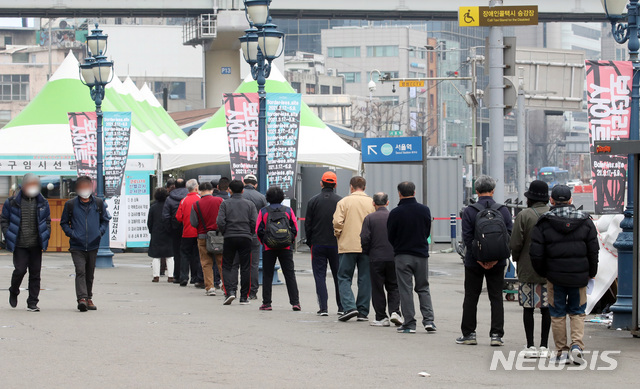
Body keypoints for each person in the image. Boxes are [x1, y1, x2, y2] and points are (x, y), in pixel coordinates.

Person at [530, 185, 599, 365]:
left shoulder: (544, 222)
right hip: (579, 277)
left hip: (554, 277)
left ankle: (562, 351)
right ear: (570, 200)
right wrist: (591, 273)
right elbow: (593, 251)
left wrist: (543, 272)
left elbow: (536, 253)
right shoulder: (586, 221)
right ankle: (577, 346)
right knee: (577, 312)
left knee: (558, 313)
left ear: (551, 200)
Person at [458, 175, 512, 346]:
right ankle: (496, 335)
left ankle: (469, 334)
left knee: (471, 297)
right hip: (498, 261)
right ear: (493, 190)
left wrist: (478, 258)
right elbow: (509, 236)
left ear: (476, 191)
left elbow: (467, 237)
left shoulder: (470, 211)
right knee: (496, 297)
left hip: (474, 261)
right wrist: (496, 259)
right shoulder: (503, 210)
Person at [509, 180, 551, 359]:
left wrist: (517, 258)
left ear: (530, 198)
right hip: (550, 270)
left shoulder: (524, 215)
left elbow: (515, 243)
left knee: (528, 307)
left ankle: (530, 345)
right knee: (546, 308)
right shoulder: (553, 214)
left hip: (528, 267)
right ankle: (544, 345)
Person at [386, 183, 435, 334]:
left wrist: (399, 246)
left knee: (405, 289)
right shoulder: (424, 210)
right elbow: (427, 231)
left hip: (402, 255)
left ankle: (409, 323)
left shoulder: (395, 213)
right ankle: (429, 321)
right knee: (423, 288)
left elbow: (390, 235)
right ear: (414, 192)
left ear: (399, 193)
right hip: (421, 255)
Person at [60, 176, 111, 312]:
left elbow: (105, 220)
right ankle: (81, 299)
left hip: (93, 244)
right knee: (80, 271)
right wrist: (72, 234)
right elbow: (64, 222)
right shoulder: (70, 204)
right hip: (77, 245)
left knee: (90, 273)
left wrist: (99, 232)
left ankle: (89, 297)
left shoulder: (98, 203)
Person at [1, 173, 51, 312]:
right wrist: (8, 233)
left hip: (36, 243)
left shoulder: (43, 202)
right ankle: (14, 290)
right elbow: (4, 220)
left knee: (35, 273)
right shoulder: (12, 202)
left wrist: (46, 234)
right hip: (20, 244)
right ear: (22, 186)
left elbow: (47, 221)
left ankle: (32, 302)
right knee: (20, 270)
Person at [333, 176, 375, 322]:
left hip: (348, 245)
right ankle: (363, 311)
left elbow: (337, 222)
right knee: (365, 278)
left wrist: (339, 234)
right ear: (364, 187)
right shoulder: (372, 202)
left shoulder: (344, 202)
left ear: (351, 187)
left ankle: (350, 307)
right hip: (367, 246)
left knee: (344, 276)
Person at [361, 192, 402, 327]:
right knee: (394, 286)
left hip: (376, 257)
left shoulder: (369, 218)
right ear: (388, 202)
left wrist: (367, 252)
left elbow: (365, 238)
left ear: (373, 203)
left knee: (377, 287)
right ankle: (395, 312)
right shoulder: (393, 216)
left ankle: (381, 317)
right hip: (393, 256)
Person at [305, 171, 343, 316]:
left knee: (319, 275)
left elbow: (308, 224)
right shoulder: (341, 201)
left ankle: (323, 307)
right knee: (338, 276)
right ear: (335, 184)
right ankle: (341, 307)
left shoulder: (313, 201)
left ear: (321, 183)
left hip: (318, 243)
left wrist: (310, 241)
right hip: (336, 243)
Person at [256, 186, 300, 311]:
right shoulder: (288, 210)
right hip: (285, 246)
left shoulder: (263, 211)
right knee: (289, 274)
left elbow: (258, 230)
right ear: (282, 197)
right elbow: (294, 229)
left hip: (268, 247)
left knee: (267, 275)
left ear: (268, 198)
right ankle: (295, 302)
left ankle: (267, 303)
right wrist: (289, 240)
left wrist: (265, 242)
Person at [217, 179, 258, 305]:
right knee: (246, 267)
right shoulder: (250, 204)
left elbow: (220, 221)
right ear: (242, 190)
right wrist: (249, 233)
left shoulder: (225, 204)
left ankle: (229, 291)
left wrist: (225, 231)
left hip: (229, 236)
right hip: (245, 237)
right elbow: (254, 222)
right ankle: (244, 297)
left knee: (227, 265)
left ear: (229, 190)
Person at [190, 182, 224, 296]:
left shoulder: (196, 204)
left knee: (206, 263)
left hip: (202, 236)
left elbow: (193, 223)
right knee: (221, 262)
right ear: (212, 190)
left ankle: (210, 287)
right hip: (218, 236)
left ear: (199, 190)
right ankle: (226, 285)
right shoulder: (219, 201)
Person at [242, 174, 268, 300]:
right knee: (253, 264)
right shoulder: (261, 197)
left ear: (244, 182)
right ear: (256, 184)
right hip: (254, 234)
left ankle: (236, 290)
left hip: (239, 232)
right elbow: (264, 216)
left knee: (237, 263)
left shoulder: (238, 195)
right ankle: (252, 291)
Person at [175, 179, 204, 288]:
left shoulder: (184, 200)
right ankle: (195, 277)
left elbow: (178, 217)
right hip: (198, 232)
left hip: (186, 232)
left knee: (184, 255)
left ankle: (183, 277)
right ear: (196, 188)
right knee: (197, 255)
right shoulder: (199, 199)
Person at [147, 187, 174, 283]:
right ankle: (170, 276)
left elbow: (149, 222)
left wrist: (151, 231)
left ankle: (156, 276)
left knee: (156, 256)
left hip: (156, 232)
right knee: (169, 256)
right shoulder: (169, 205)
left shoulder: (153, 207)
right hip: (168, 232)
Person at [163, 178, 187, 283]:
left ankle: (178, 275)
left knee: (177, 252)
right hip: (189, 227)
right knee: (191, 253)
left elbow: (165, 216)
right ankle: (193, 276)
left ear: (175, 186)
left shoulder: (169, 199)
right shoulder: (189, 196)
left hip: (175, 228)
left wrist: (169, 228)